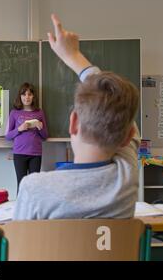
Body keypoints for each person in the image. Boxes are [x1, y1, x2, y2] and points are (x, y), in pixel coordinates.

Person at [13, 15, 140, 220]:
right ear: (129, 135)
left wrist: (72, 55)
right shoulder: (126, 178)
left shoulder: (34, 189)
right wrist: (74, 57)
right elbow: (123, 111)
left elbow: (17, 246)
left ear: (73, 123)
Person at [6, 82, 48, 191]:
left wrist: (40, 127)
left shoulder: (39, 113)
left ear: (33, 96)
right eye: (24, 94)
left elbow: (45, 136)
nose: (27, 97)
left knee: (34, 185)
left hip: (35, 153)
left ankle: (34, 208)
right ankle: (20, 208)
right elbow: (8, 136)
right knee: (21, 184)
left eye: (29, 94)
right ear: (20, 96)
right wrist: (19, 129)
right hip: (19, 153)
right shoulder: (14, 113)